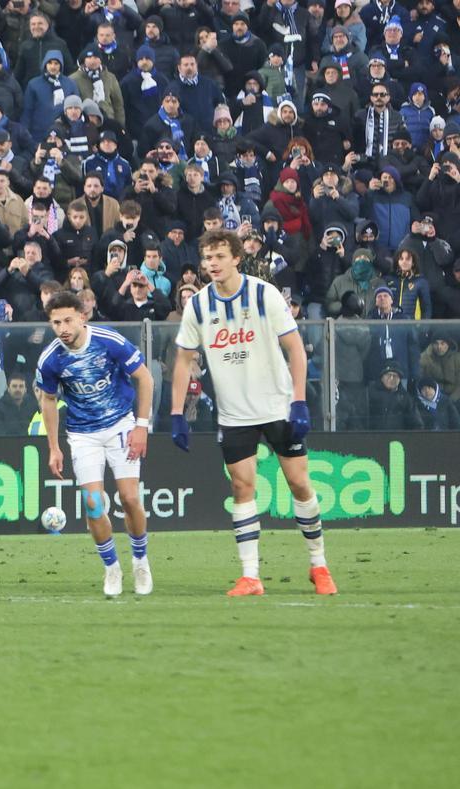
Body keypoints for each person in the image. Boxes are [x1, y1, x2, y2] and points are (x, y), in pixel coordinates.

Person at [170, 230, 338, 597]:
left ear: (236, 258)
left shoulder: (265, 294)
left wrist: (298, 400)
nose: (212, 264)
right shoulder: (197, 305)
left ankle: (318, 564)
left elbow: (295, 349)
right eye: (207, 258)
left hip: (277, 405)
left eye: (219, 256)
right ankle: (251, 576)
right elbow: (183, 360)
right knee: (242, 486)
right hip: (234, 413)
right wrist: (177, 413)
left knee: (299, 483)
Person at [36, 291, 155, 596]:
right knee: (93, 504)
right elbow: (48, 401)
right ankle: (111, 568)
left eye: (67, 320)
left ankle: (140, 560)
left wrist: (141, 427)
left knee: (129, 498)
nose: (62, 327)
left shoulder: (108, 340)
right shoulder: (51, 359)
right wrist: (53, 447)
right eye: (55, 322)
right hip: (83, 434)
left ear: (82, 317)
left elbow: (146, 378)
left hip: (121, 426)